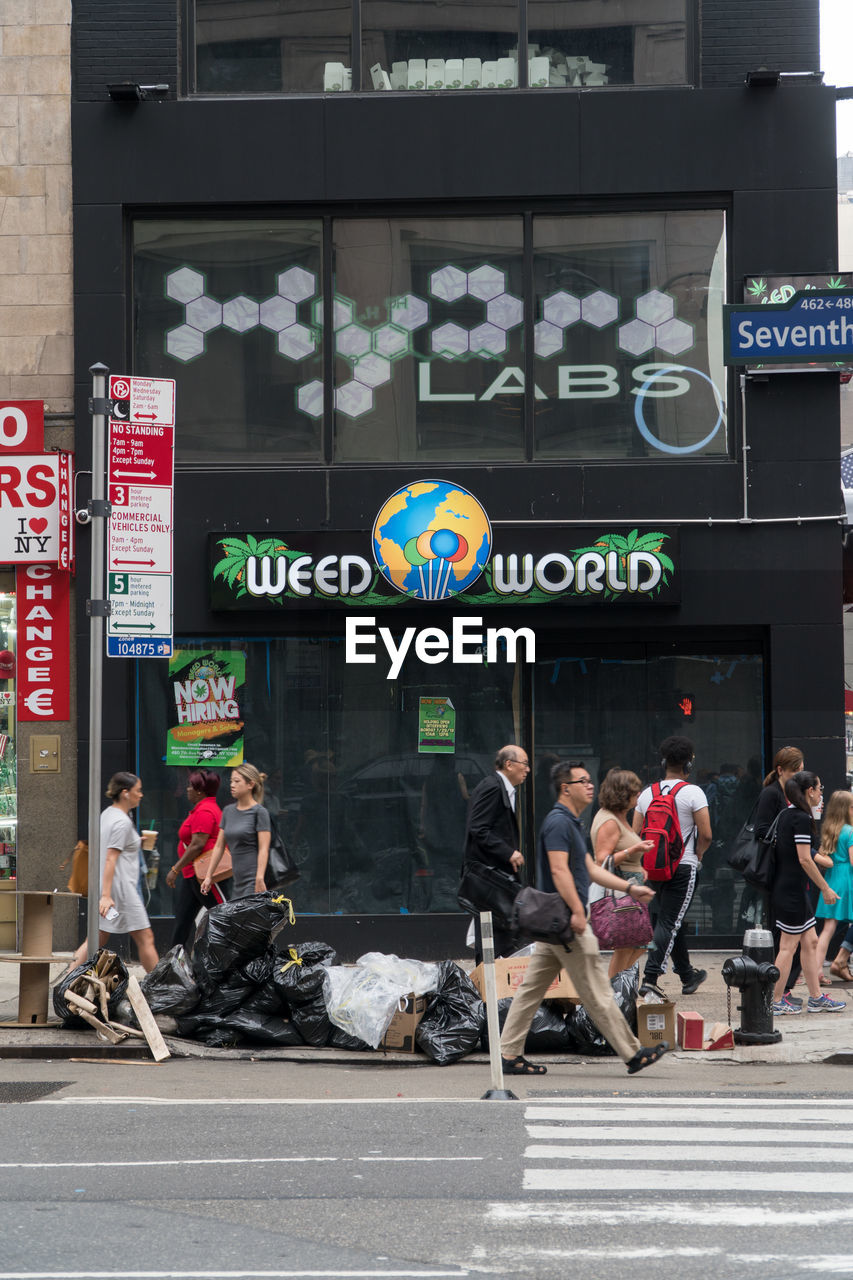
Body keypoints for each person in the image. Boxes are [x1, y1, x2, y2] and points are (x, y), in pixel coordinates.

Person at [499, 760, 666, 1077]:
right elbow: (560, 870)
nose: (590, 785)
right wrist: (578, 911)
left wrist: (630, 887)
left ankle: (509, 1053)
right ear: (566, 788)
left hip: (557, 925)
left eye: (590, 780)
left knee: (531, 990)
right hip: (567, 923)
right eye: (583, 781)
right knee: (597, 993)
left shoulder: (572, 822)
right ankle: (632, 1054)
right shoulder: (559, 823)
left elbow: (591, 869)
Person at [633, 735, 712, 997]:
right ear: (688, 764)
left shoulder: (647, 794)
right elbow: (707, 834)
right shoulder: (693, 793)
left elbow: (636, 834)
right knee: (670, 922)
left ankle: (688, 975)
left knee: (668, 920)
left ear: (663, 761)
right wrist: (698, 854)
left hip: (654, 868)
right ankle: (651, 977)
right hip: (683, 866)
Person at [770, 770, 846, 1015]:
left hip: (792, 889)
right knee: (787, 947)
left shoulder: (789, 815)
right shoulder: (800, 818)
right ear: (809, 791)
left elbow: (802, 853)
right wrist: (825, 888)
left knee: (811, 941)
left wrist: (824, 860)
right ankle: (775, 1000)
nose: (821, 794)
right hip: (792, 891)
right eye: (819, 788)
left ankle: (815, 998)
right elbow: (804, 859)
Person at [71, 772, 159, 972]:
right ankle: (159, 986)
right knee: (146, 937)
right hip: (120, 892)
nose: (141, 795)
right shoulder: (122, 822)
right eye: (138, 791)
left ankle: (68, 977)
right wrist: (106, 896)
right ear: (126, 793)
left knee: (97, 936)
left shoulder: (108, 814)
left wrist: (136, 842)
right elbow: (111, 857)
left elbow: (110, 847)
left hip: (111, 890)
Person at [461, 744, 530, 963]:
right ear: (509, 764)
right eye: (525, 764)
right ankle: (490, 988)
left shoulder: (502, 787)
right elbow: (478, 828)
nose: (528, 769)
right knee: (493, 934)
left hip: (496, 878)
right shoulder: (492, 786)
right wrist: (508, 852)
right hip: (489, 879)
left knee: (498, 934)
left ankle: (494, 987)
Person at [590, 768, 654, 979]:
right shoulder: (610, 821)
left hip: (630, 884)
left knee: (638, 944)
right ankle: (613, 990)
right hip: (622, 888)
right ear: (622, 794)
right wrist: (634, 850)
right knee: (628, 945)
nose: (638, 796)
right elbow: (602, 860)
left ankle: (620, 988)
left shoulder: (618, 817)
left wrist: (639, 865)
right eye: (635, 793)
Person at [164, 769, 226, 948]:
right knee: (182, 920)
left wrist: (175, 869)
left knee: (222, 917)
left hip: (203, 874)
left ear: (200, 791)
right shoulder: (203, 808)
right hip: (193, 875)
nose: (187, 789)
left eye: (190, 786)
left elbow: (197, 844)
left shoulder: (205, 810)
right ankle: (172, 963)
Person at [201, 762, 271, 900]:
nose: (232, 785)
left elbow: (264, 849)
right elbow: (219, 847)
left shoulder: (259, 812)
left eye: (237, 781)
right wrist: (209, 876)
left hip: (254, 878)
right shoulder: (228, 811)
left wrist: (260, 877)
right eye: (231, 781)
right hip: (237, 880)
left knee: (247, 919)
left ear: (250, 785)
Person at [814, 790, 853, 980]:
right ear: (847, 809)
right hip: (847, 881)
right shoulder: (850, 831)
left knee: (827, 929)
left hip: (831, 879)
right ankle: (841, 960)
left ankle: (817, 971)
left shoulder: (830, 829)